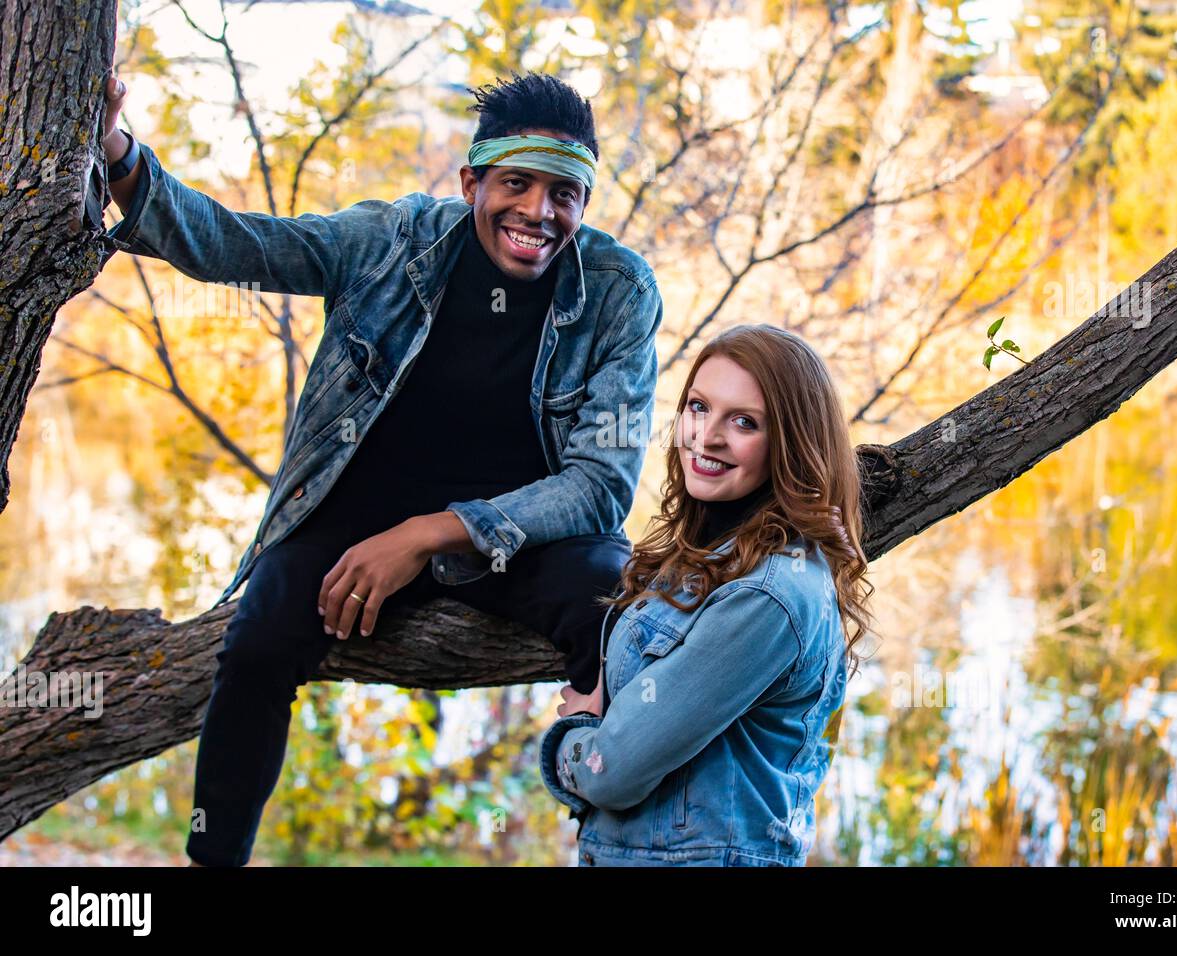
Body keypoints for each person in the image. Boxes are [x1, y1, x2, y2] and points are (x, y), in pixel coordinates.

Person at [96, 70, 662, 867]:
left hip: (515, 538)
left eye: (564, 192)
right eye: (517, 183)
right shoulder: (390, 243)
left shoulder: (619, 291)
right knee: (256, 646)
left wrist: (432, 534)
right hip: (351, 524)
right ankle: (212, 857)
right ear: (472, 181)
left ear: (585, 202)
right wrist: (116, 149)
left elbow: (602, 485)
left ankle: (621, 845)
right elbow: (235, 246)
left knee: (624, 605)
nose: (539, 212)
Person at [538, 324, 874, 866]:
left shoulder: (769, 595)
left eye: (744, 422)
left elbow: (612, 772)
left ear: (791, 442)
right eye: (698, 407)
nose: (707, 436)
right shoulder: (710, 555)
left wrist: (574, 735)